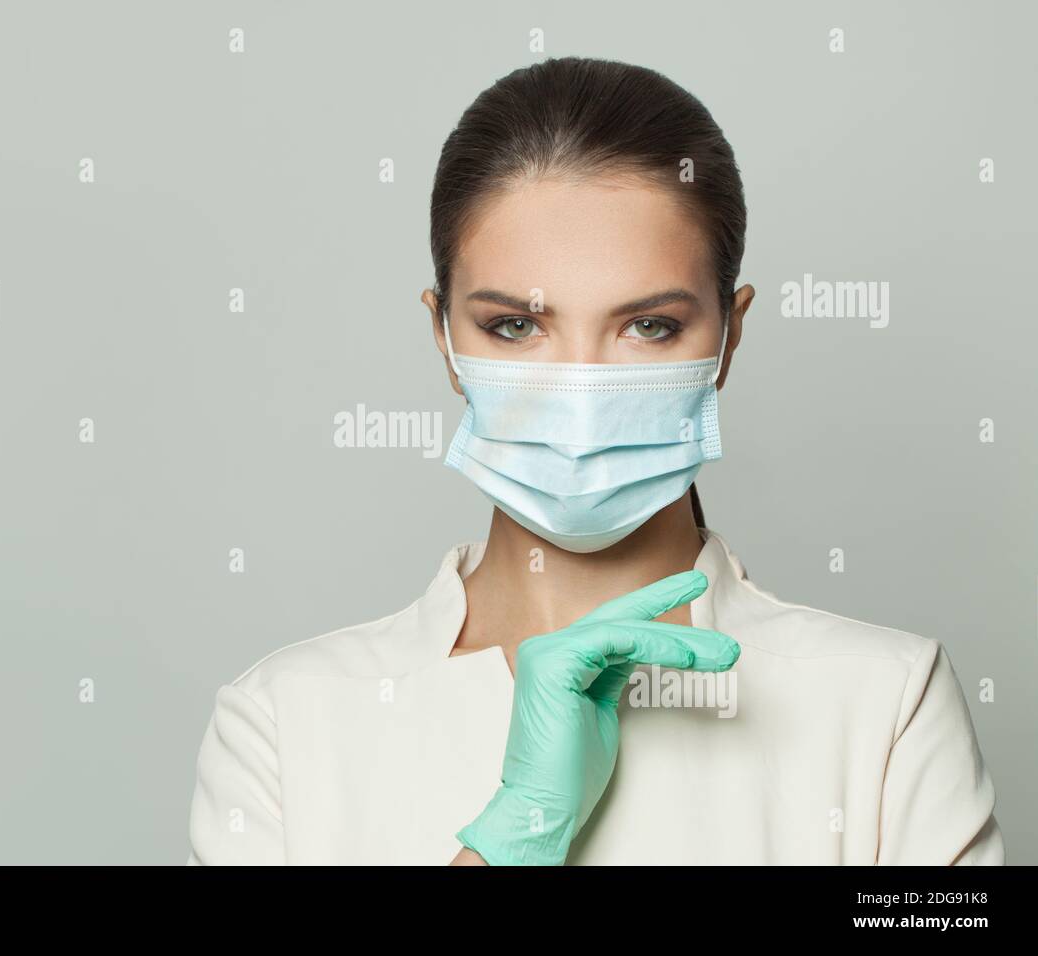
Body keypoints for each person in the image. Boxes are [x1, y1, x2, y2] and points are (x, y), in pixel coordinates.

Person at [185, 56, 1003, 865]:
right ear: (444, 338)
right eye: (515, 325)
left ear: (728, 337)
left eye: (648, 326)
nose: (582, 390)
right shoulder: (287, 725)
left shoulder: (885, 704)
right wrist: (520, 830)